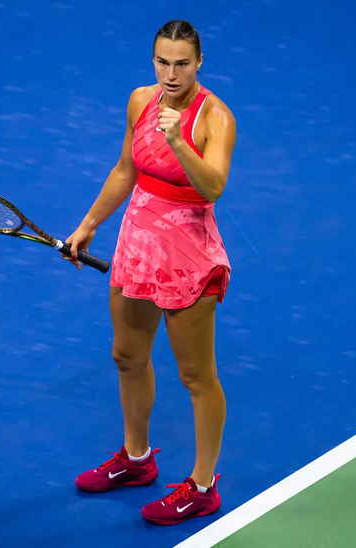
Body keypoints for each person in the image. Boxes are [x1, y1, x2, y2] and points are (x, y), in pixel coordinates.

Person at [63, 19, 236, 526]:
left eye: (182, 63)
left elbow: (213, 188)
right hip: (138, 244)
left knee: (195, 375)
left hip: (187, 254)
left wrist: (180, 141)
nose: (171, 73)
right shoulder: (140, 100)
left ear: (199, 62)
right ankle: (137, 459)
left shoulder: (215, 118)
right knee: (126, 356)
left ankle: (203, 486)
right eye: (163, 61)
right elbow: (126, 169)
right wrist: (89, 223)